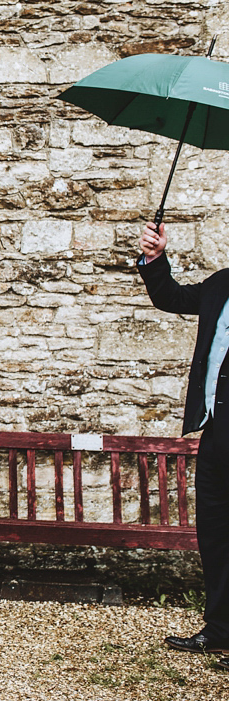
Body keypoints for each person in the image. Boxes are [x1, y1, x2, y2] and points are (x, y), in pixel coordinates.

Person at [139, 221, 229, 671]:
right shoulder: (221, 285)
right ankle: (219, 630)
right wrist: (155, 259)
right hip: (214, 436)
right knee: (214, 536)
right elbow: (171, 298)